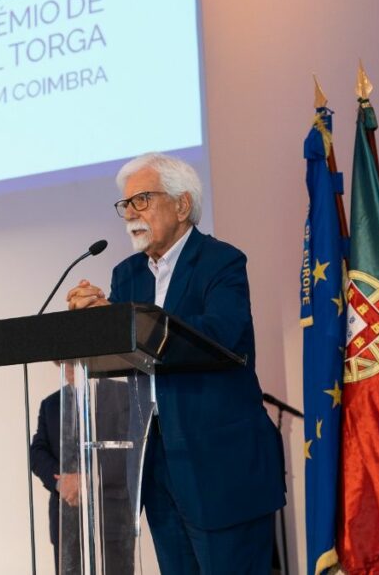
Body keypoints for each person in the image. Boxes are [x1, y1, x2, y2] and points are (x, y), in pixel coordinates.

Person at [65, 152, 285, 574]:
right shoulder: (127, 274)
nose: (130, 213)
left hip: (221, 468)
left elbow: (220, 334)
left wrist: (126, 321)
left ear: (182, 205)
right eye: (125, 204)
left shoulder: (222, 261)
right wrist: (94, 320)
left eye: (141, 200)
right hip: (157, 465)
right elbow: (122, 354)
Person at [30, 363, 135, 575]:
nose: (69, 367)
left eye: (73, 360)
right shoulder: (50, 404)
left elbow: (130, 448)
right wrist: (62, 482)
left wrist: (89, 479)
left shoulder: (121, 395)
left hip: (112, 517)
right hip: (66, 519)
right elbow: (37, 453)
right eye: (63, 361)